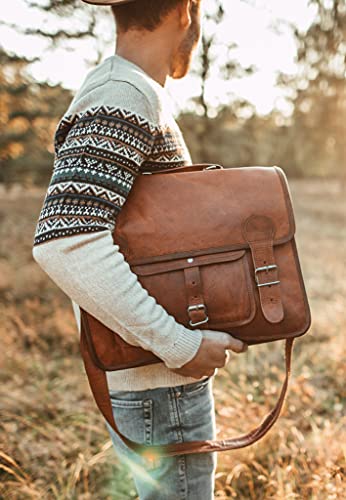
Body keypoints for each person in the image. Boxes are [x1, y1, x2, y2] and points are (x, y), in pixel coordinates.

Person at [32, 0, 248, 498]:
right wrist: (181, 345)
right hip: (159, 387)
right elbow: (65, 241)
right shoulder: (124, 94)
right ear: (184, 13)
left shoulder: (128, 89)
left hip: (155, 382)